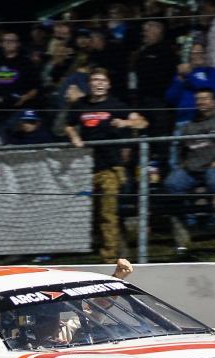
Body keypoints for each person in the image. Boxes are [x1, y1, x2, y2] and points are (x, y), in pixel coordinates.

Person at [65, 68, 147, 263]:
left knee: (107, 213)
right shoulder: (80, 105)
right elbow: (67, 124)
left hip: (110, 167)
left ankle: (109, 257)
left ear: (108, 84)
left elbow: (142, 122)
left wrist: (125, 123)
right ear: (89, 83)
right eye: (95, 79)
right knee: (85, 211)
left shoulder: (116, 105)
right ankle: (109, 246)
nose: (99, 83)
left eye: (102, 80)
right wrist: (75, 136)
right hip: (85, 168)